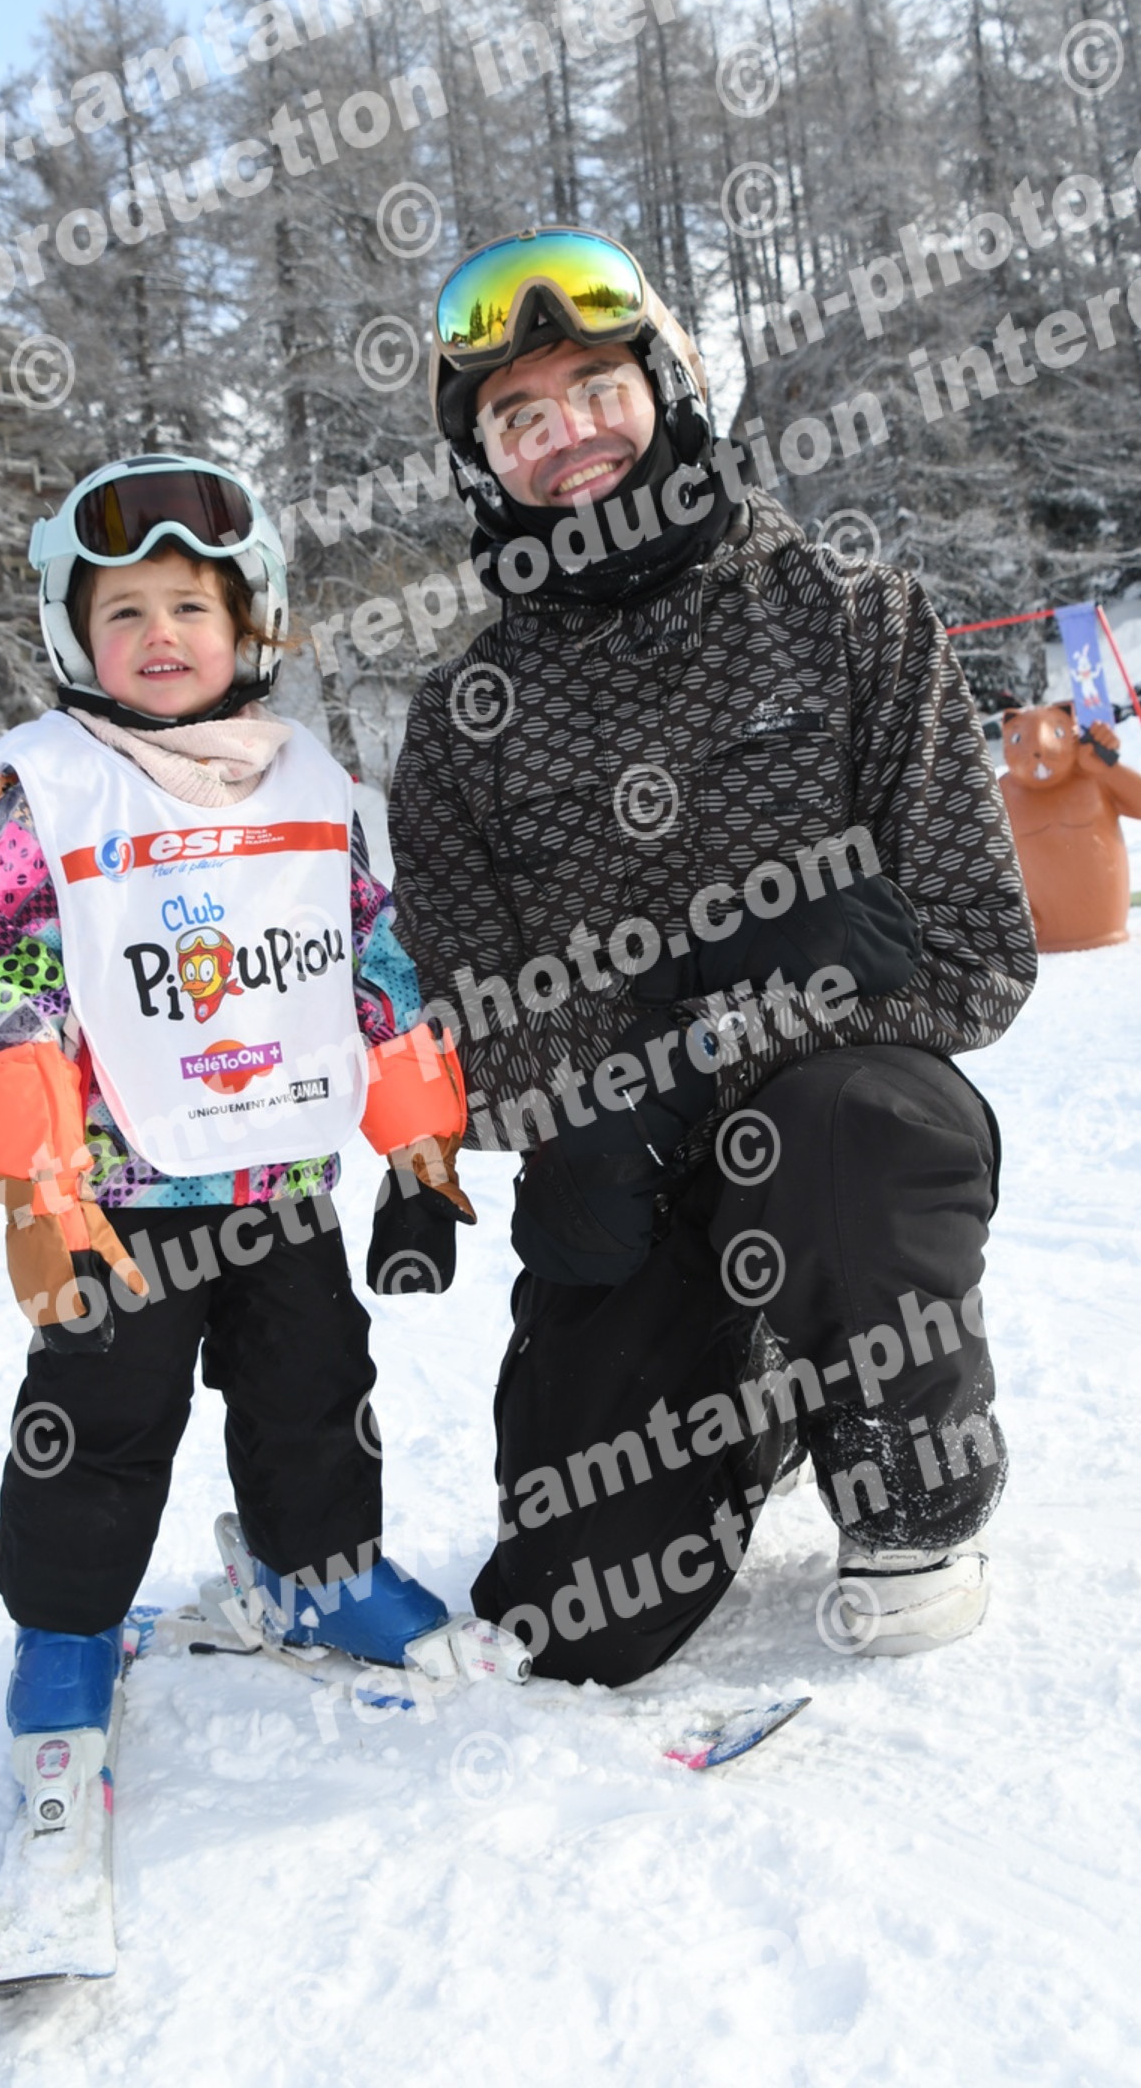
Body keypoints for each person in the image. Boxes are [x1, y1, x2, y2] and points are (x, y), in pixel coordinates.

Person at [387, 227, 1038, 1687]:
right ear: (483, 462)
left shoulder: (855, 618)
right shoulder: (460, 723)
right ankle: (754, 1395)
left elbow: (976, 956)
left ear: (669, 390)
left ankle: (907, 1486)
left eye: (596, 389)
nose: (567, 436)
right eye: (518, 416)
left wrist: (705, 1032)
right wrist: (701, 1004)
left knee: (849, 1125)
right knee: (577, 1616)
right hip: (628, 1169)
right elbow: (474, 1030)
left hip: (835, 1146)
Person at [0, 452, 489, 1777]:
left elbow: (370, 960)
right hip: (118, 1200)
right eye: (123, 611)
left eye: (191, 605)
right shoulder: (48, 786)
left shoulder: (305, 780)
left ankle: (321, 1573)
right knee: (99, 1420)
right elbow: (8, 987)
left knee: (316, 1392)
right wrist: (35, 1184)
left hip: (280, 1177)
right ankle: (66, 1627)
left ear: (249, 623)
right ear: (74, 635)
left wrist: (419, 1146)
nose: (161, 633)